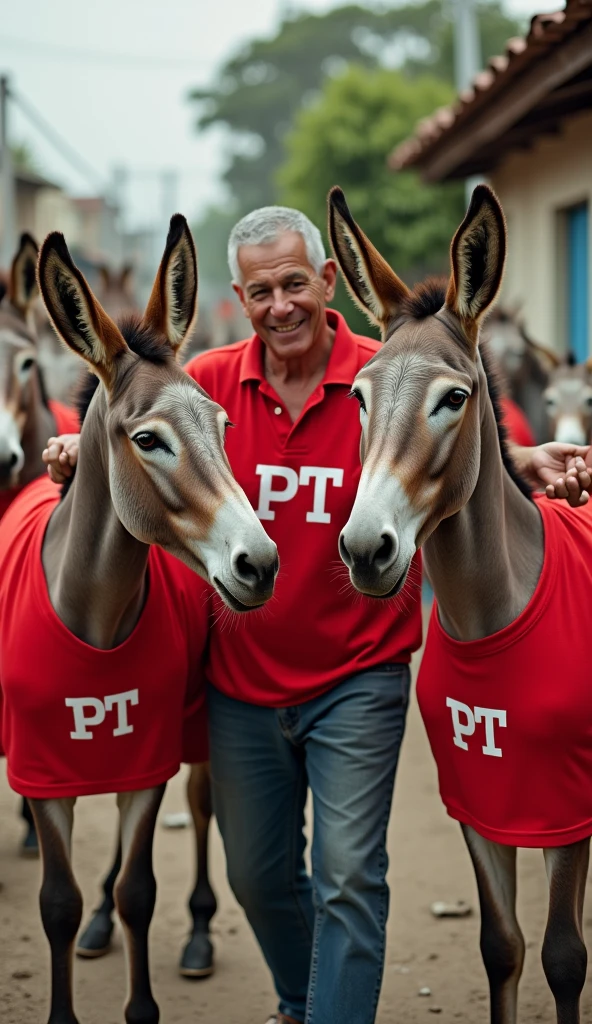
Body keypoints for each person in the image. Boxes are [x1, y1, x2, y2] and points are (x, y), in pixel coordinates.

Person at [43, 208, 592, 1024]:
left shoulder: (388, 367)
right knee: (256, 877)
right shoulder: (211, 385)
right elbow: (137, 439)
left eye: (295, 283)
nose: (281, 305)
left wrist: (518, 458)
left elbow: (437, 436)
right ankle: (306, 1000)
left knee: (347, 879)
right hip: (242, 677)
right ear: (239, 296)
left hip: (358, 674)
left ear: (329, 282)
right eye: (261, 291)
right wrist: (78, 451)